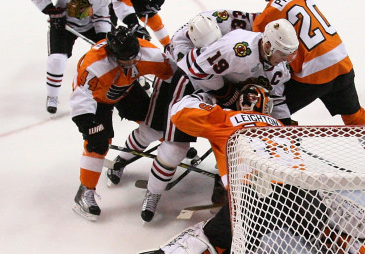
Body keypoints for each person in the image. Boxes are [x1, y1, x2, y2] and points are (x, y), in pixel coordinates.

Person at [129, 86, 365, 254]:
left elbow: (179, 114)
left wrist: (203, 98)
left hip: (252, 197)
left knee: (216, 244)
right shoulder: (281, 127)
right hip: (299, 191)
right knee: (324, 225)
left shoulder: (225, 117)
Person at [126, 19, 298, 222]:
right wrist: (223, 92)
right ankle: (153, 193)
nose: (286, 59)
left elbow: (276, 99)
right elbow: (197, 70)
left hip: (233, 94)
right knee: (175, 149)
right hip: (194, 85)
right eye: (283, 53)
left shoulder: (278, 67)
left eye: (290, 54)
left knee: (238, 140)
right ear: (268, 46)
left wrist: (284, 124)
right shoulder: (236, 49)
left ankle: (223, 181)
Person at [245, 0, 365, 171]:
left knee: (267, 110)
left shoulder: (267, 17)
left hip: (313, 72)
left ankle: (283, 157)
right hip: (340, 61)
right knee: (355, 116)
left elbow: (262, 56)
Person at [70, 25, 174, 221]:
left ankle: (137, 156)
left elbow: (173, 75)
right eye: (127, 59)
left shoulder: (147, 52)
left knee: (154, 124)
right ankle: (84, 192)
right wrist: (87, 122)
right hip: (97, 100)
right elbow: (80, 95)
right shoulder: (94, 65)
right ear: (113, 54)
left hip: (126, 90)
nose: (133, 62)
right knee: (98, 143)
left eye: (135, 56)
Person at [31, 0, 112, 114]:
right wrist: (52, 10)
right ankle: (52, 96)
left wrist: (103, 39)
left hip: (89, 26)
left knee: (109, 55)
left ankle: (113, 90)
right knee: (57, 60)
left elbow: (101, 17)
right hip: (62, 24)